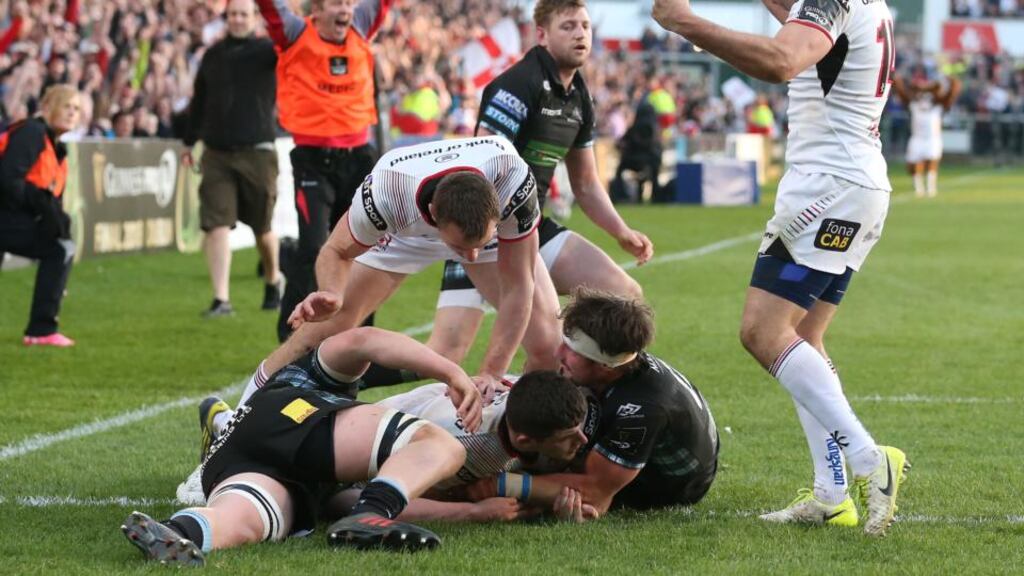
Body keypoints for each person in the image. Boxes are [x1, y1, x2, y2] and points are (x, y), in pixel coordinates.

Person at [652, 0, 910, 535]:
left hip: (827, 188)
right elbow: (807, 24)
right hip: (854, 184)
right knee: (806, 340)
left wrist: (685, 22)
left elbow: (781, 60)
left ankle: (868, 459)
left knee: (763, 331)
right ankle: (832, 495)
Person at [359, 0, 654, 388]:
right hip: (486, 230)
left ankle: (552, 411)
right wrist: (484, 233)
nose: (581, 33)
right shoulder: (518, 84)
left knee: (622, 293)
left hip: (531, 225)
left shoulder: (578, 95)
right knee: (448, 351)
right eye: (568, 26)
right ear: (542, 35)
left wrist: (621, 231)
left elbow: (584, 181)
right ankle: (350, 373)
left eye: (584, 25)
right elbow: (479, 169)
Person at [199, 136, 559, 453]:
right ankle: (230, 428)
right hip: (404, 234)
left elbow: (518, 285)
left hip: (479, 220)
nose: (471, 260)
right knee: (318, 333)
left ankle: (532, 450)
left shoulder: (512, 177)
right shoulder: (388, 190)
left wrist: (492, 373)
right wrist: (332, 292)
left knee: (545, 341)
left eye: (478, 247)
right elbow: (335, 251)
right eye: (462, 249)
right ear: (433, 214)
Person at [122, 327, 483, 566]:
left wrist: (476, 514)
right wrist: (452, 372)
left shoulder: (303, 375)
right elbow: (364, 340)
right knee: (442, 445)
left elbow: (345, 502)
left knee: (241, 522)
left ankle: (178, 530)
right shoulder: (314, 373)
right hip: (293, 418)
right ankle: (370, 515)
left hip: (235, 462)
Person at [466, 289, 719, 514]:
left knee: (541, 484)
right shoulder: (617, 357)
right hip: (623, 447)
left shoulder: (640, 410)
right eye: (564, 343)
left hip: (662, 488)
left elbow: (596, 491)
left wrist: (500, 484)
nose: (559, 353)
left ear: (605, 366)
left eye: (573, 351)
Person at [255, 0, 388, 342]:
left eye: (348, 2)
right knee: (315, 248)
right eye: (336, 4)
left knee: (363, 248)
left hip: (358, 157)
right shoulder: (296, 33)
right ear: (315, 10)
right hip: (314, 157)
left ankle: (359, 337)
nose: (345, 9)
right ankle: (290, 339)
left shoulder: (359, 27)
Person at [184, 0, 282, 318]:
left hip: (258, 151)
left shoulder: (269, 52)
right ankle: (221, 299)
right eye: (232, 14)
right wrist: (189, 141)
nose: (237, 19)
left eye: (243, 14)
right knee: (215, 224)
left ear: (255, 18)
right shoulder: (212, 56)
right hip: (217, 153)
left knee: (262, 229)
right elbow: (199, 103)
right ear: (225, 19)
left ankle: (272, 279)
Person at [0, 84, 80, 347]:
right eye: (66, 106)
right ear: (48, 106)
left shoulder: (56, 148)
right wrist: (39, 208)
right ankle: (41, 329)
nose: (72, 113)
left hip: (11, 215)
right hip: (7, 214)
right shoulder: (32, 133)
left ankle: (42, 329)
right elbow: (9, 179)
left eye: (77, 109)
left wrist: (49, 213)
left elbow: (50, 199)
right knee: (59, 249)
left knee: (61, 245)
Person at [892, 69, 961, 198]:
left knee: (932, 162)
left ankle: (931, 187)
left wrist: (953, 82)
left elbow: (951, 94)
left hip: (932, 138)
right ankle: (918, 188)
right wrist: (898, 81)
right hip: (917, 137)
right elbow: (901, 93)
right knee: (913, 163)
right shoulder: (913, 103)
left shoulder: (938, 105)